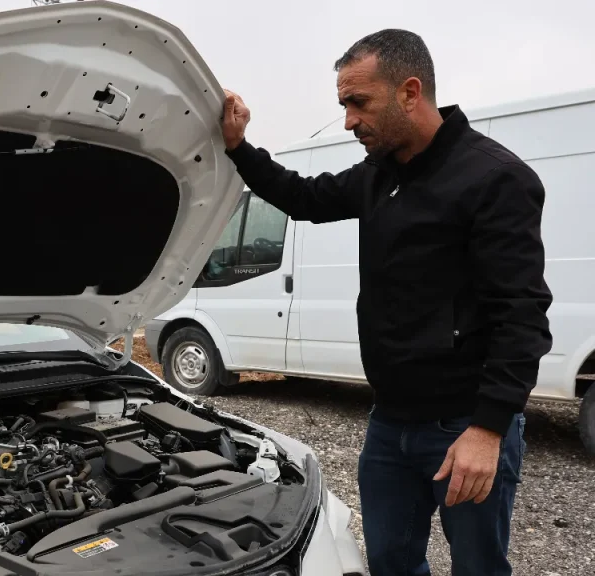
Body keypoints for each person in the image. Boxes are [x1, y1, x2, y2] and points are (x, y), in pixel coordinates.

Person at [220, 29, 553, 575]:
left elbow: (522, 314)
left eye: (358, 102)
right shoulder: (381, 173)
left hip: (463, 426)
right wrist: (238, 148)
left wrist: (489, 429)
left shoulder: (496, 179)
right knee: (391, 564)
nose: (349, 119)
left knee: (478, 566)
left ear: (409, 91)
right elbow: (304, 198)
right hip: (389, 422)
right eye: (344, 104)